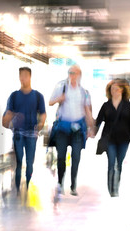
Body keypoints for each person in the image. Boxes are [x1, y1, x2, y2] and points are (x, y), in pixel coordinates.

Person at [49, 65, 94, 196]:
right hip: (63, 127)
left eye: (74, 73)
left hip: (78, 129)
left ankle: (73, 184)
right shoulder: (61, 87)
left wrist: (91, 127)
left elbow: (87, 111)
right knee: (61, 156)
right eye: (70, 73)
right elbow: (50, 102)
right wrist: (59, 98)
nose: (72, 75)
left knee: (76, 157)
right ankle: (60, 183)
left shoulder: (84, 92)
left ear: (79, 75)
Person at [2, 67, 46, 195]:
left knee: (30, 162)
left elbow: (43, 113)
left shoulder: (38, 96)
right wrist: (8, 118)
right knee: (19, 160)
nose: (23, 78)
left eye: (26, 75)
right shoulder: (14, 96)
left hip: (32, 133)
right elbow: (8, 113)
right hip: (18, 133)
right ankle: (17, 188)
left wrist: (41, 123)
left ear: (30, 77)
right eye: (21, 75)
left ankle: (27, 183)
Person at [95, 79, 130, 197]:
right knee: (111, 163)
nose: (114, 91)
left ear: (122, 90)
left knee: (119, 164)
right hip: (110, 139)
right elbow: (98, 121)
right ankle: (112, 190)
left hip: (124, 139)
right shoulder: (106, 106)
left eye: (117, 89)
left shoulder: (128, 107)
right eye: (112, 89)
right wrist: (93, 131)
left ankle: (116, 187)